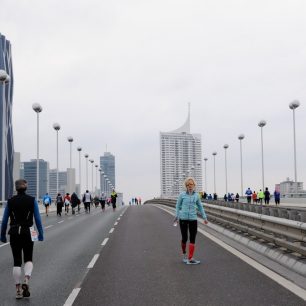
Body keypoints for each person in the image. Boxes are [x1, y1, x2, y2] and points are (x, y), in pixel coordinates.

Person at [0, 179, 44, 299]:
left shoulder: (10, 201)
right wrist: (41, 234)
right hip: (30, 231)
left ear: (16, 188)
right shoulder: (32, 200)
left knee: (17, 261)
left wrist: (2, 234)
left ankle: (18, 290)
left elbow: (4, 221)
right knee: (29, 258)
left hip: (14, 232)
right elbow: (38, 219)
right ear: (26, 188)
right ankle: (26, 279)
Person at [175, 177, 208, 265]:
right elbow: (178, 206)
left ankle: (190, 258)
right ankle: (184, 253)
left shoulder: (196, 195)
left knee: (192, 238)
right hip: (183, 219)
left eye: (191, 184)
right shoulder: (182, 195)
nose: (190, 186)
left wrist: (204, 217)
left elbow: (200, 206)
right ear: (186, 186)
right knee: (184, 238)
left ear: (194, 186)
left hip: (193, 219)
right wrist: (176, 216)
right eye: (188, 184)